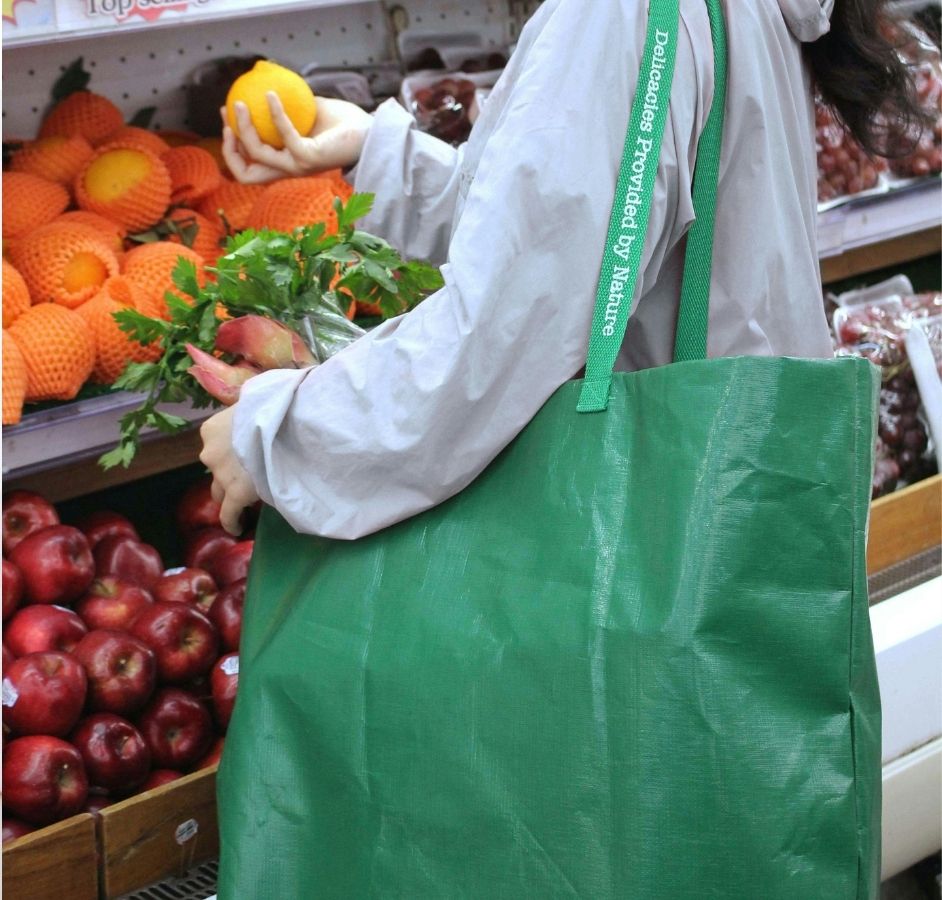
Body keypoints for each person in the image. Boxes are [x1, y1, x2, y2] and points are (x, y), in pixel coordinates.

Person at [200, 0, 925, 539]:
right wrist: (377, 151)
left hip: (652, 530)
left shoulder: (626, 15)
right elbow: (580, 228)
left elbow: (504, 333)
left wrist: (284, 435)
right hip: (731, 498)